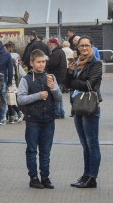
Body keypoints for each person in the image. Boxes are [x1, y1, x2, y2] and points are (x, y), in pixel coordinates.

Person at [17, 50, 62, 189]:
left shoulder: (50, 77)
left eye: (43, 62)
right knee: (31, 150)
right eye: (39, 62)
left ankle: (45, 177)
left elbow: (59, 98)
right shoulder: (26, 79)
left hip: (48, 119)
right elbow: (20, 99)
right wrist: (38, 95)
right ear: (32, 63)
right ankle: (33, 177)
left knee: (46, 150)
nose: (42, 64)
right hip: (33, 120)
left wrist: (53, 88)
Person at [64, 36, 103, 189]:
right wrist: (69, 72)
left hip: (90, 107)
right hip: (78, 106)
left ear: (92, 47)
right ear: (78, 47)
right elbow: (66, 84)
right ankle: (86, 175)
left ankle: (92, 177)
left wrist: (74, 83)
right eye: (82, 46)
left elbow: (89, 85)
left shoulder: (96, 64)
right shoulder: (75, 63)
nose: (84, 48)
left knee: (92, 144)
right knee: (85, 144)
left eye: (87, 45)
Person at [46, 37, 67, 119]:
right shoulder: (60, 51)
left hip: (56, 77)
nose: (49, 46)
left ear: (55, 44)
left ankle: (57, 113)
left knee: (56, 96)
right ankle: (61, 112)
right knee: (59, 96)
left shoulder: (56, 53)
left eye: (50, 44)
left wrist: (46, 61)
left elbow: (52, 64)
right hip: (61, 76)